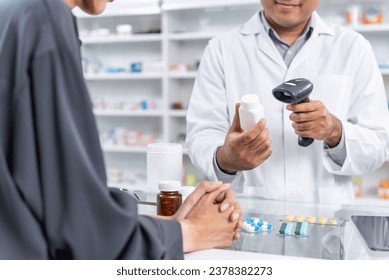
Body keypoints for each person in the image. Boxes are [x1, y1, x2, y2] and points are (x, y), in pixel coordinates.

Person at [0, 0, 243, 260]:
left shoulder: (12, 12)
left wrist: (158, 225)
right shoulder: (43, 19)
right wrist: (190, 232)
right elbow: (84, 232)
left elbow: (35, 192)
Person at [186, 0, 389, 204]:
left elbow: (378, 145)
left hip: (327, 214)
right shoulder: (221, 48)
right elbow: (202, 134)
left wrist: (334, 131)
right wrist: (225, 159)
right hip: (246, 212)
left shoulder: (354, 47)